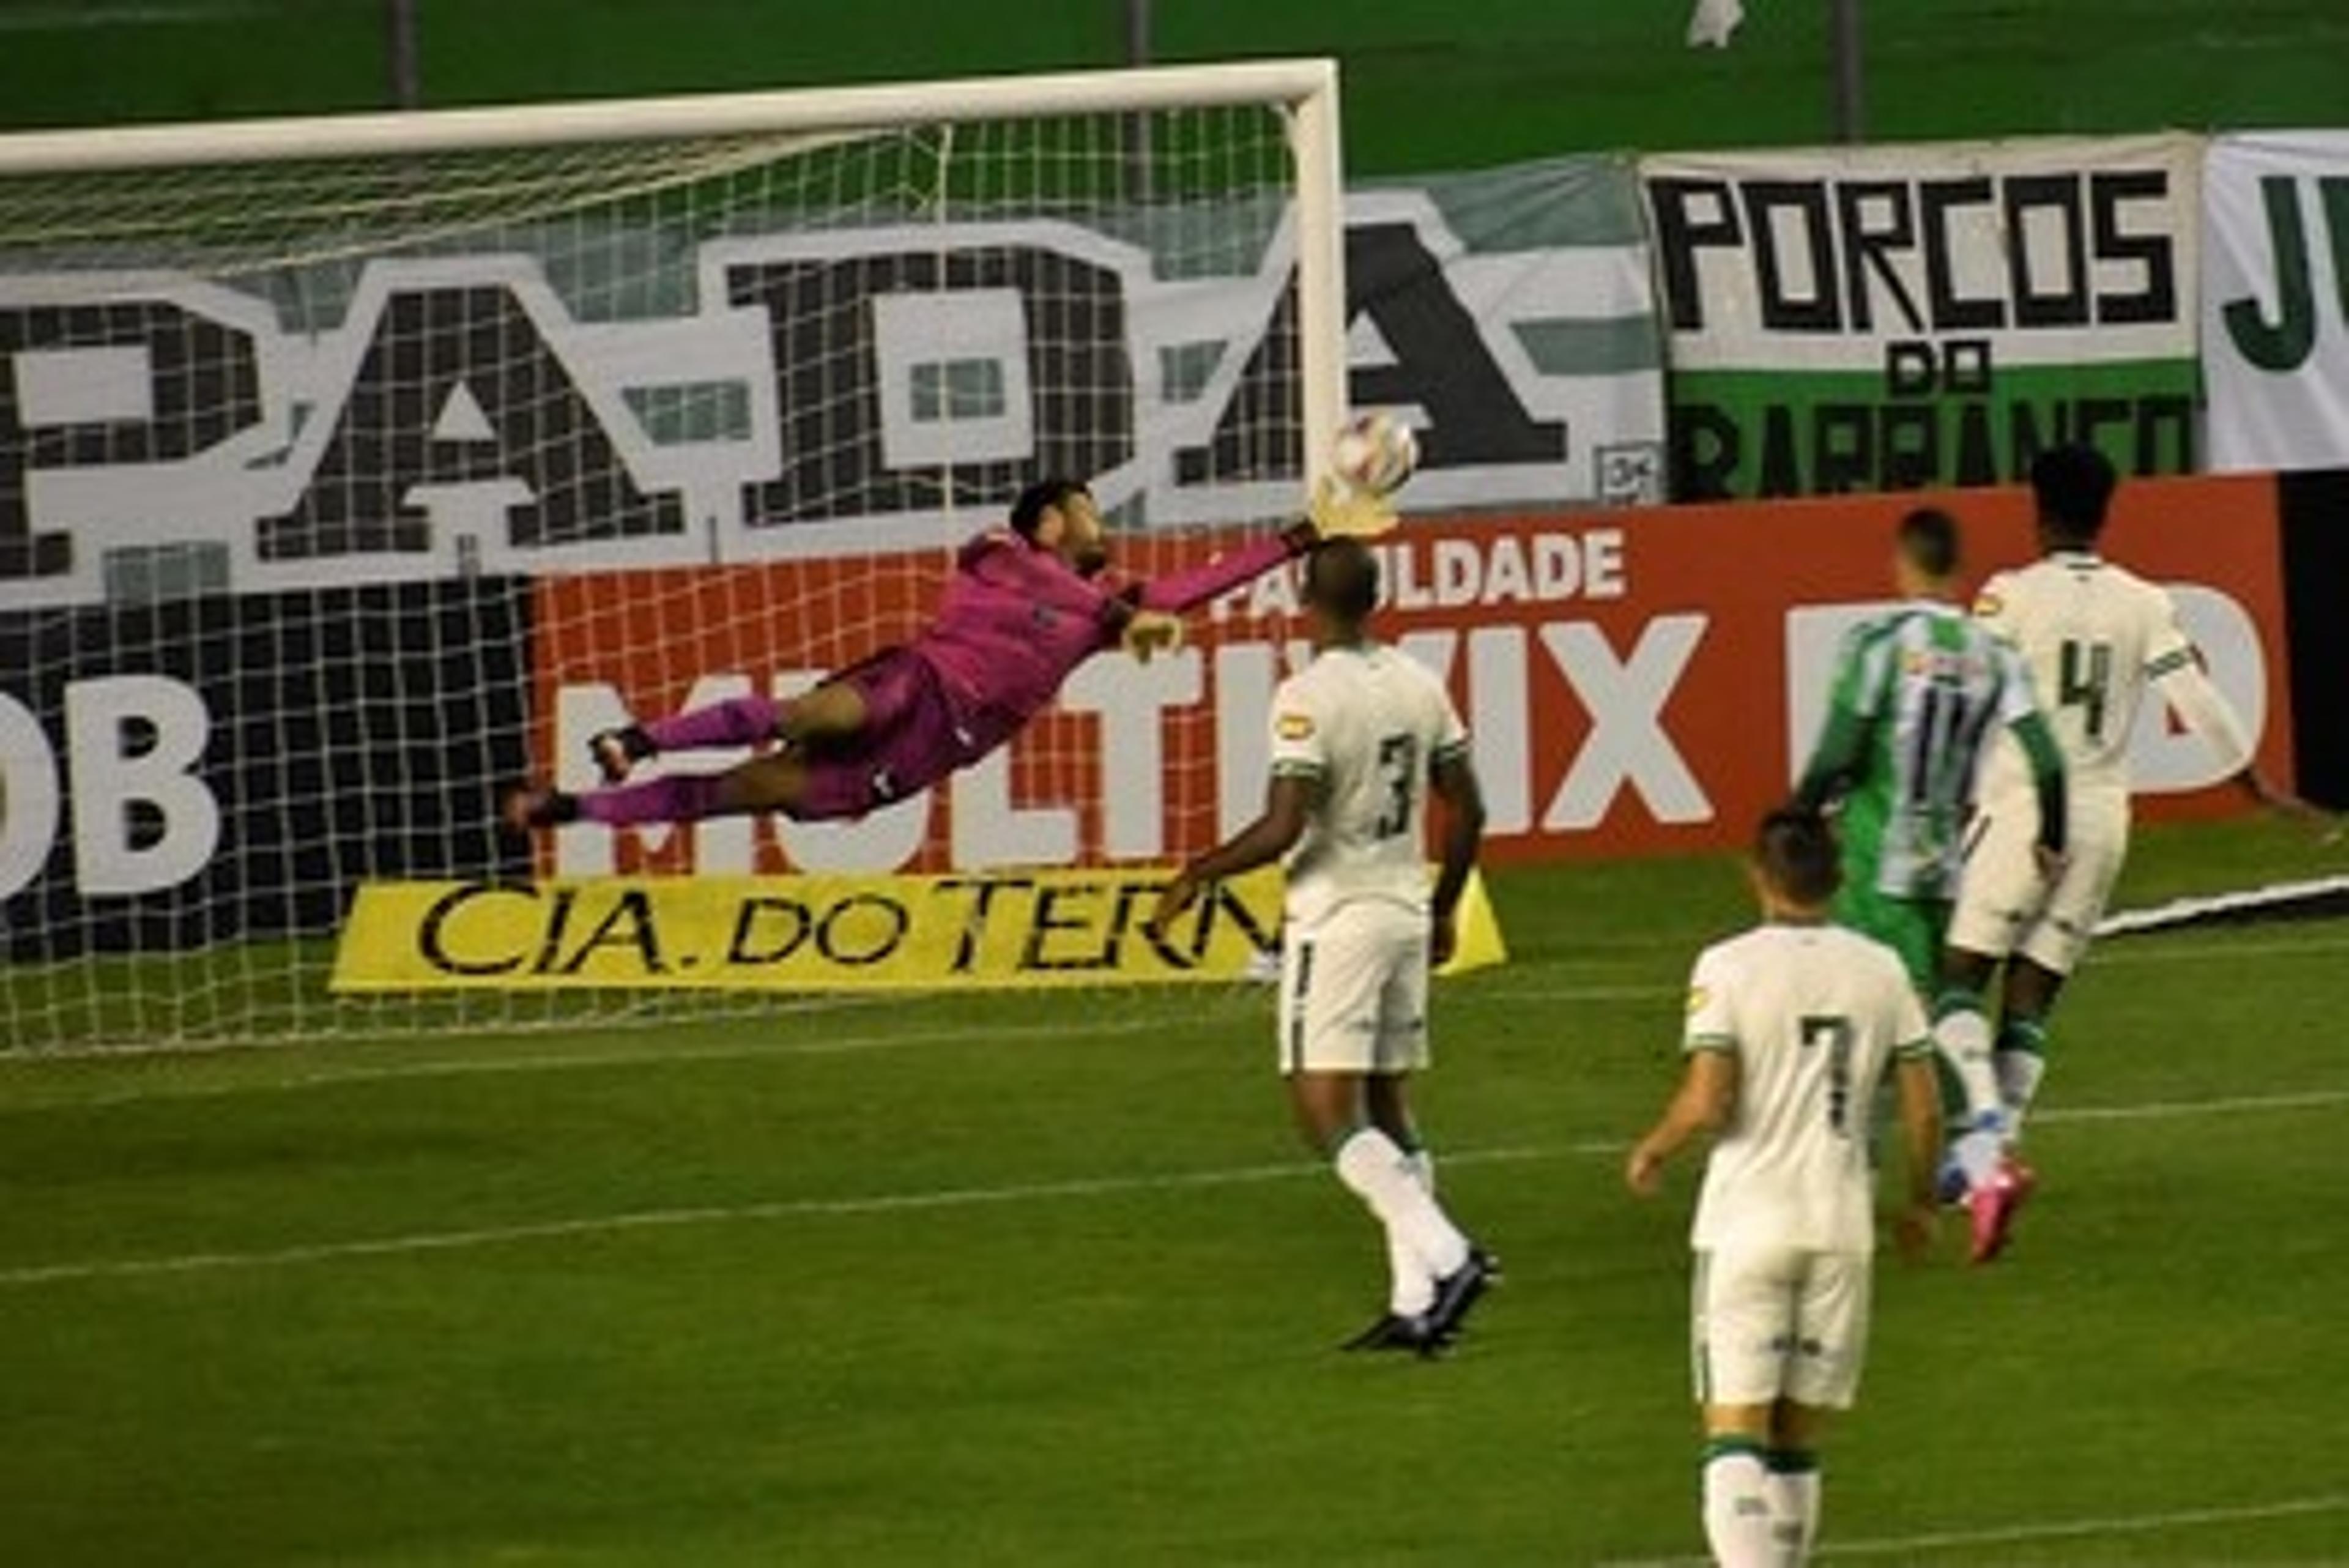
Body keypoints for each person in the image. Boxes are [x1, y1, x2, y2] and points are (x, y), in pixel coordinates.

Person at [503, 477, 1390, 832]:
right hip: (915, 685)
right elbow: (1073, 597)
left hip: (935, 749)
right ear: (1046, 522)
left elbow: (1193, 586)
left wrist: (1306, 535)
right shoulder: (998, 552)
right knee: (820, 711)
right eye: (1084, 505)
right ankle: (643, 738)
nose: (1099, 518)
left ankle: (574, 808)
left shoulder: (1111, 603)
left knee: (749, 793)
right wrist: (1127, 615)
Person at [1937, 443, 2320, 1260]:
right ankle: (1981, 1161)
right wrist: (2256, 784)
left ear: (2037, 508)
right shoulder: (2146, 602)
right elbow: (2198, 699)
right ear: (2106, 513)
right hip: (2105, 816)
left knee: (1959, 977)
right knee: (2032, 996)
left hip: (2023, 807)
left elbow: (1969, 697)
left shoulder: (2007, 595)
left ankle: (1986, 1154)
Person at [1146, 536, 1494, 1356]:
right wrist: (1445, 907)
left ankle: (1450, 1254)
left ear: (1307, 600)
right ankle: (1416, 1304)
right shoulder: (1419, 680)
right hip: (1406, 906)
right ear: (1374, 597)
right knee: (1387, 1102)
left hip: (1337, 917)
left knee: (1321, 1110)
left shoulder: (1305, 695)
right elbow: (1470, 810)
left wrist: (1198, 871)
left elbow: (1282, 825)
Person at [1627, 807, 1941, 1568]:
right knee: (1797, 1440)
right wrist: (1922, 1204)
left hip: (1747, 1222)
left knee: (1735, 1430)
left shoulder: (1726, 965)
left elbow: (1708, 1100)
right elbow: (1926, 1109)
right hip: (1841, 1225)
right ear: (1838, 877)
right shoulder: (1881, 967)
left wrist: (1653, 1148)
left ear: (1756, 874)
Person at [1789, 506, 2066, 1256]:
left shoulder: (1878, 646)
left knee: (1859, 1022)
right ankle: (1971, 1162)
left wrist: (1795, 821)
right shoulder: (1993, 652)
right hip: (1948, 864)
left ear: (1903, 563)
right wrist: (2053, 839)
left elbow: (1837, 751)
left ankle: (1964, 1155)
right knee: (1932, 1009)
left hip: (1875, 867)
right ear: (1956, 567)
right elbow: (2046, 759)